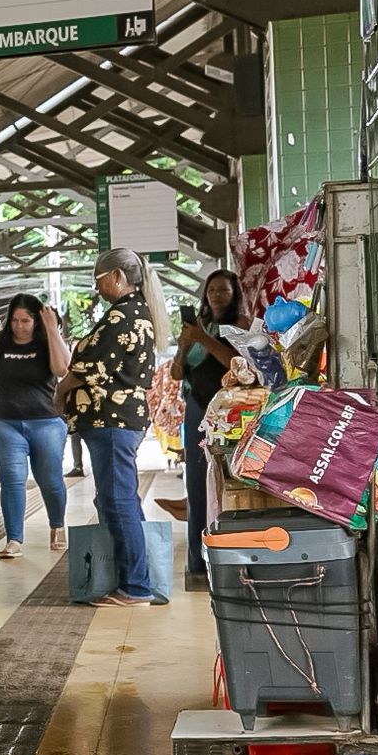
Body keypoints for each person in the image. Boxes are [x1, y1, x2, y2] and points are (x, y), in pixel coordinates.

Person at [58, 248, 171, 607]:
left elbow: (90, 368)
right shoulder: (136, 312)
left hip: (111, 419)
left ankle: (135, 586)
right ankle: (138, 579)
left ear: (118, 277)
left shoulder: (123, 315)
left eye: (99, 279)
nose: (97, 287)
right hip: (117, 420)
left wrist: (60, 392)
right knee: (119, 498)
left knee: (118, 500)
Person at [0, 294, 73, 558]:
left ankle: (57, 525)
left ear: (36, 320)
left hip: (46, 423)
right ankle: (14, 539)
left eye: (25, 320)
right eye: (15, 320)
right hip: (6, 422)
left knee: (50, 480)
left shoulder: (47, 341)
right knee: (12, 480)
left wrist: (52, 329)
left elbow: (62, 369)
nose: (19, 326)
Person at [168, 269, 245, 584]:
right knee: (197, 483)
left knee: (230, 481)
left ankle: (229, 556)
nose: (216, 296)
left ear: (234, 293)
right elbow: (176, 373)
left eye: (223, 290)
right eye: (211, 290)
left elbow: (237, 364)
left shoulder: (240, 325)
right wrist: (185, 343)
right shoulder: (199, 326)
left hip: (231, 411)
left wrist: (203, 338)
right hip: (197, 409)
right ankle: (197, 561)